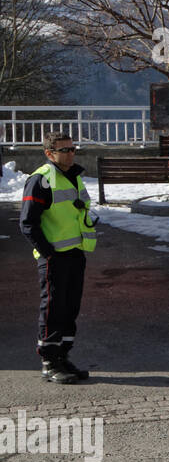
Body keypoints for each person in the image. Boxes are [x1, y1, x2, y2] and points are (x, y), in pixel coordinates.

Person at [19, 132, 98, 384]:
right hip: (54, 257)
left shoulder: (73, 176)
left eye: (72, 149)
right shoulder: (41, 180)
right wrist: (48, 252)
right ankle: (50, 362)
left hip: (75, 253)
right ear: (49, 153)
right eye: (64, 150)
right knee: (53, 309)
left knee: (70, 308)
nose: (70, 153)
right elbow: (27, 223)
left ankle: (63, 356)